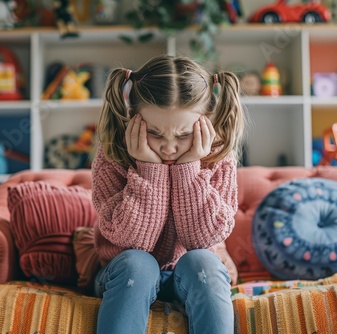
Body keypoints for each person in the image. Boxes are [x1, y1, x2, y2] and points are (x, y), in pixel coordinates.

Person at [91, 54, 245, 334]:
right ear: (133, 118)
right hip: (123, 272)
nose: (170, 148)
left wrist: (188, 168)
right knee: (139, 264)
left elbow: (203, 239)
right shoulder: (114, 152)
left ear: (206, 121)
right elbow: (133, 241)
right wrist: (150, 169)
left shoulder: (218, 155)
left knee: (204, 262)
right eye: (155, 133)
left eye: (184, 135)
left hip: (188, 274)